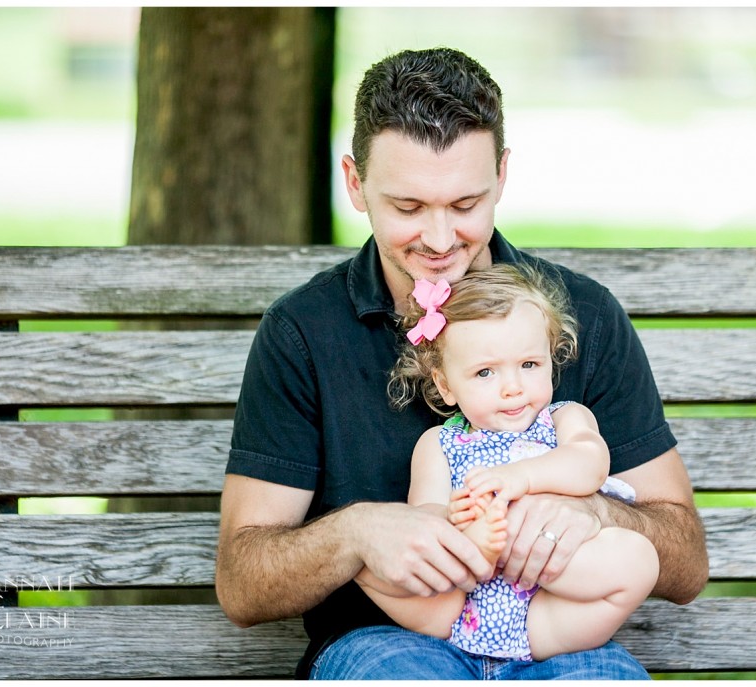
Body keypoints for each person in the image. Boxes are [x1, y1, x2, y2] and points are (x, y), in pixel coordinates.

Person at [216, 46, 708, 680]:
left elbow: (686, 561)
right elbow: (242, 583)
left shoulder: (584, 314)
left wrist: (593, 512)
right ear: (356, 183)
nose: (442, 241)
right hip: (387, 643)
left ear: (502, 176)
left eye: (466, 204)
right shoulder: (303, 332)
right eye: (409, 208)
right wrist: (356, 533)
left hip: (560, 640)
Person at [355, 264, 660, 662]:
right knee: (364, 565)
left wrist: (521, 477)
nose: (513, 387)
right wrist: (458, 521)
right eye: (485, 372)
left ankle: (498, 565)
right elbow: (423, 514)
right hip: (456, 608)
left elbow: (590, 463)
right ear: (445, 384)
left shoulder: (565, 418)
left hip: (547, 611)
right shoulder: (439, 443)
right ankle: (480, 555)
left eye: (529, 365)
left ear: (551, 359)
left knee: (640, 560)